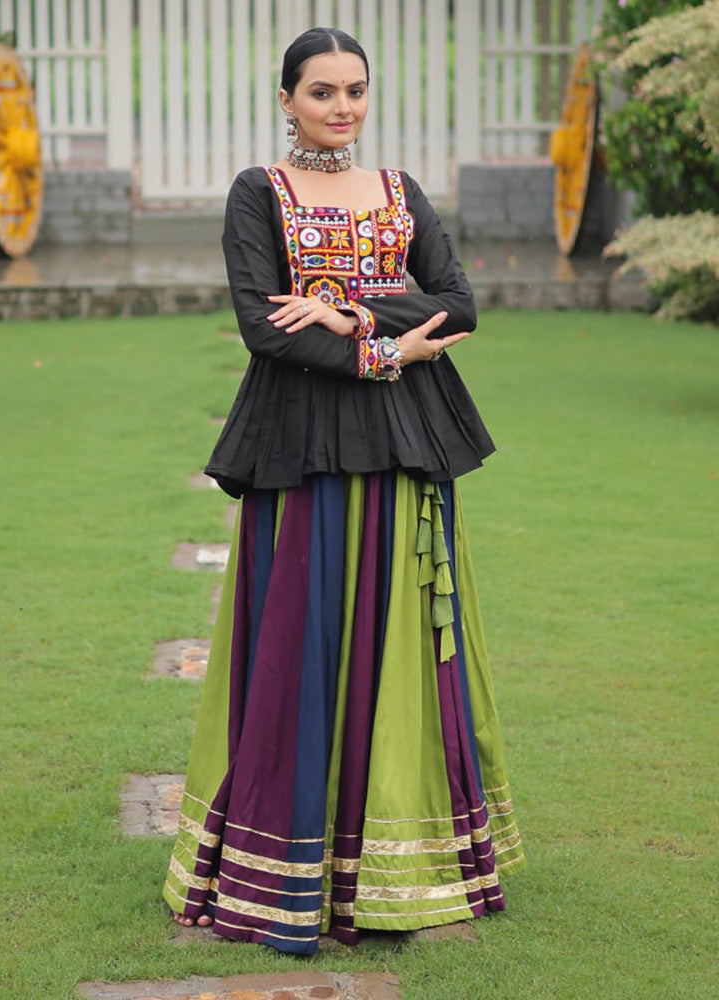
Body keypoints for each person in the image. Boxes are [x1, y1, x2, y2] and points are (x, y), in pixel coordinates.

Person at [163, 27, 525, 955]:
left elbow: (460, 303)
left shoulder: (400, 191)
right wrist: (389, 351)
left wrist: (342, 310)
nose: (341, 108)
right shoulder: (259, 193)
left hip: (404, 441)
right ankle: (286, 865)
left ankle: (398, 861)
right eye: (321, 92)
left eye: (355, 90)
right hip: (301, 443)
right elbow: (263, 328)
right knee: (305, 633)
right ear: (287, 99)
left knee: (397, 635)